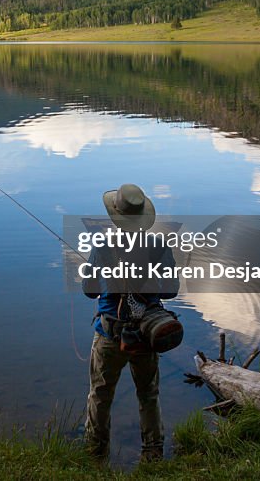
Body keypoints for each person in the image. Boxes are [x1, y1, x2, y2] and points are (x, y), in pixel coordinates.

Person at [83, 183, 178, 464]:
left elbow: (89, 291)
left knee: (100, 396)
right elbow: (171, 290)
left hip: (109, 336)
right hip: (147, 334)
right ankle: (153, 454)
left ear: (115, 214)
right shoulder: (159, 246)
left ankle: (95, 454)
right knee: (148, 395)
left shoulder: (102, 245)